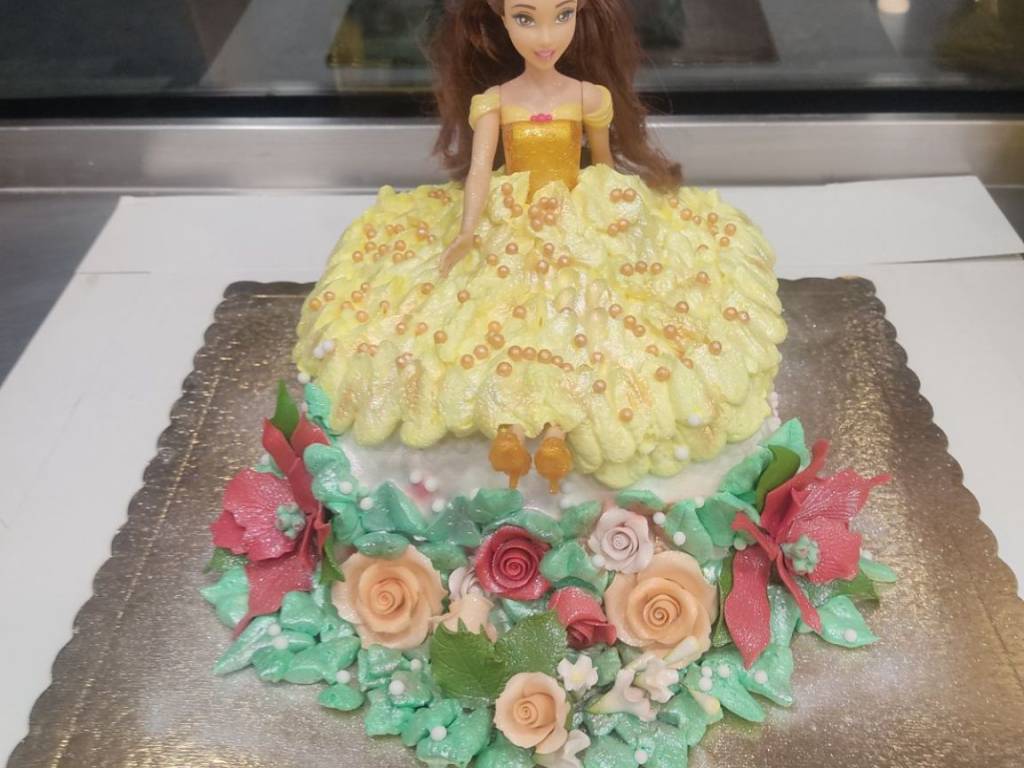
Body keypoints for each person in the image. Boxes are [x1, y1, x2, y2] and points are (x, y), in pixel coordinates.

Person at [295, 0, 786, 491]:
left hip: (576, 219)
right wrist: (467, 231)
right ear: (501, 19)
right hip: (511, 222)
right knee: (509, 313)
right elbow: (480, 173)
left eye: (562, 15)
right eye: (526, 18)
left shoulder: (589, 97)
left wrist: (620, 219)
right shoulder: (496, 102)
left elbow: (603, 168)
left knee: (577, 315)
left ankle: (555, 433)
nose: (546, 36)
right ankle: (512, 426)